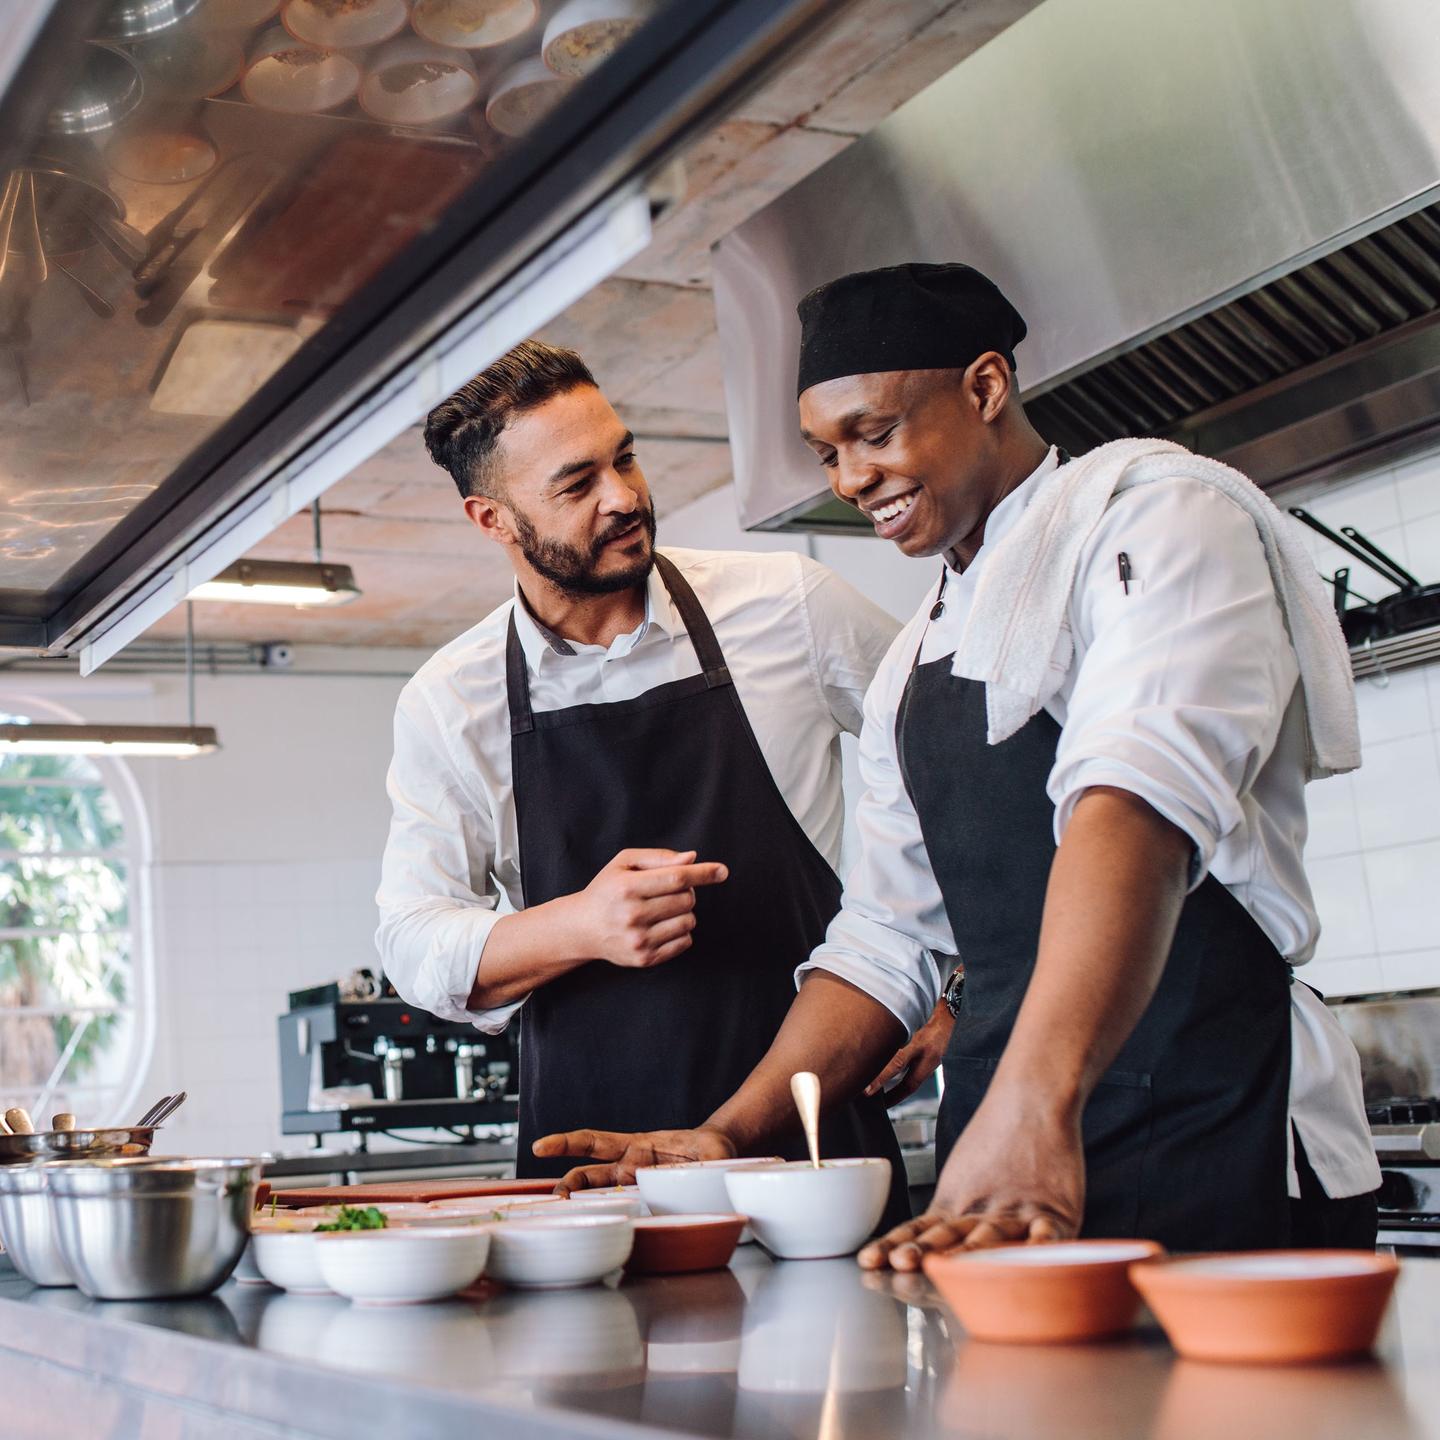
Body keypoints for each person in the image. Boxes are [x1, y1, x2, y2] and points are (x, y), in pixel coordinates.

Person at [533, 263, 1381, 1262]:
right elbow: (885, 942)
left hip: (1215, 1117)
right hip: (1004, 1168)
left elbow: (1135, 809)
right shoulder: (910, 664)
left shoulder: (1159, 519)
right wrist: (727, 1131)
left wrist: (1035, 1103)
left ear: (984, 388)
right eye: (826, 453)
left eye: (874, 434)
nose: (849, 480)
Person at [375, 339, 910, 1222]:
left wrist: (949, 984)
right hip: (590, 1178)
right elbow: (412, 942)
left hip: (813, 1148)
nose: (624, 496)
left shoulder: (790, 606)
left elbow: (961, 769)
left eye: (623, 457)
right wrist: (580, 924)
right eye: (576, 484)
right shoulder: (449, 700)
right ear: (492, 520)